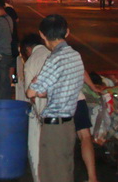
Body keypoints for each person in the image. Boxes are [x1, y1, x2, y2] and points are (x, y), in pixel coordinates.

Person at [26, 14, 84, 182]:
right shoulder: (75, 56)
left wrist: (35, 84)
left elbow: (31, 92)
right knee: (65, 171)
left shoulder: (54, 59)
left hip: (54, 127)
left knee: (51, 173)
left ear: (42, 35)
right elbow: (62, 86)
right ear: (67, 32)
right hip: (68, 125)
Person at [20, 33, 51, 182]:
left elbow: (30, 94)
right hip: (62, 115)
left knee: (39, 152)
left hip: (42, 115)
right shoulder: (53, 55)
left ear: (27, 49)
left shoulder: (31, 62)